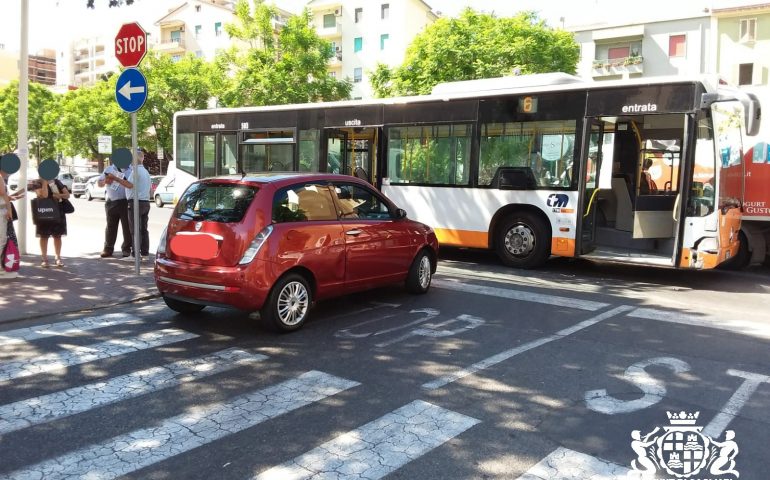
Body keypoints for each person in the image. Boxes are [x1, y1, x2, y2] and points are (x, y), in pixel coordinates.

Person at [109, 148, 151, 260]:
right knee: (143, 229)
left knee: (135, 229)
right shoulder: (146, 171)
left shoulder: (136, 171)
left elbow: (129, 185)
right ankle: (145, 253)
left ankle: (134, 254)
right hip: (145, 202)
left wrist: (116, 178)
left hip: (135, 202)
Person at [98, 159, 132, 258]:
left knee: (127, 227)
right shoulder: (109, 169)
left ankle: (126, 249)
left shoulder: (131, 170)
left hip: (125, 201)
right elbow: (99, 183)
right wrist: (105, 181)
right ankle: (108, 248)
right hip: (111, 201)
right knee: (110, 226)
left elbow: (132, 185)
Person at [34, 175, 70, 268]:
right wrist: (45, 182)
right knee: (44, 236)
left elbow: (67, 195)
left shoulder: (57, 182)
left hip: (58, 211)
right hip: (44, 211)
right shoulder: (37, 183)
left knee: (57, 236)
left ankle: (58, 257)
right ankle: (44, 258)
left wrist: (58, 195)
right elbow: (43, 195)